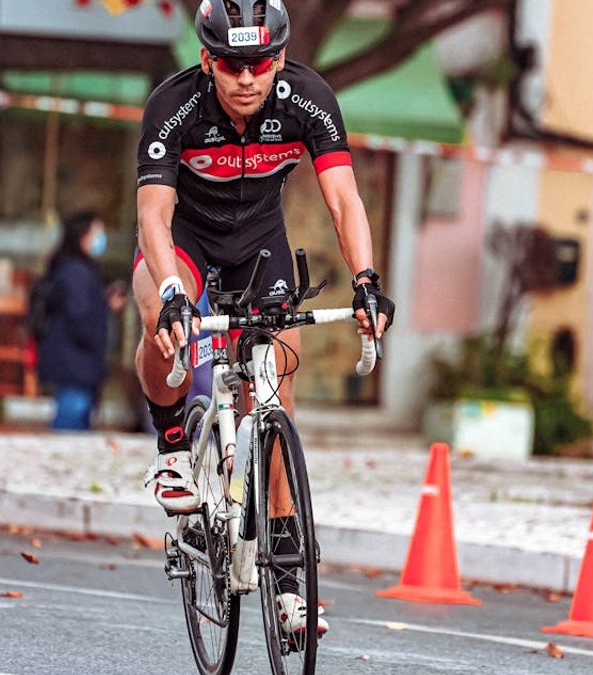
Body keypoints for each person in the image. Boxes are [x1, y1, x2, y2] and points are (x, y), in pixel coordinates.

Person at [132, 0, 395, 638]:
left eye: (261, 62)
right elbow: (154, 216)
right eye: (232, 63)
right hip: (185, 246)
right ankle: (172, 447)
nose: (247, 77)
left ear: (279, 58)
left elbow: (343, 197)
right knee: (160, 321)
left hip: (259, 249)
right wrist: (172, 291)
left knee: (274, 393)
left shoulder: (308, 99)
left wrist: (365, 281)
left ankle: (285, 578)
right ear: (207, 59)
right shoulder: (175, 106)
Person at [32, 211, 119, 431]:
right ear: (83, 235)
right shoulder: (75, 271)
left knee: (76, 420)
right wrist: (95, 338)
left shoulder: (76, 268)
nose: (101, 239)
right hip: (75, 362)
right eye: (97, 232)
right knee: (70, 426)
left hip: (77, 362)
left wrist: (104, 304)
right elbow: (78, 314)